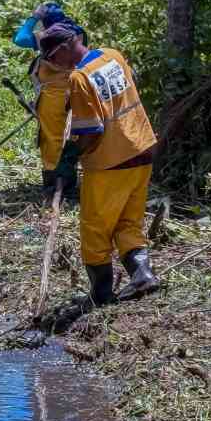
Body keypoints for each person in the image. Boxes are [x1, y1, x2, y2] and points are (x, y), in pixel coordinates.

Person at [38, 23, 160, 306]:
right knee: (129, 220)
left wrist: (69, 158)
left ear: (68, 46)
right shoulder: (112, 55)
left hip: (110, 161)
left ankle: (101, 292)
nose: (55, 64)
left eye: (55, 57)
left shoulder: (79, 79)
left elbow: (91, 131)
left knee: (95, 226)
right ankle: (142, 274)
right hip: (141, 148)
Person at [12, 3, 85, 194]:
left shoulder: (52, 37)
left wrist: (33, 17)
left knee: (53, 140)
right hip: (74, 92)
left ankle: (57, 186)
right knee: (69, 138)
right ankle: (65, 183)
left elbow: (20, 39)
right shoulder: (77, 33)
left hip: (55, 97)